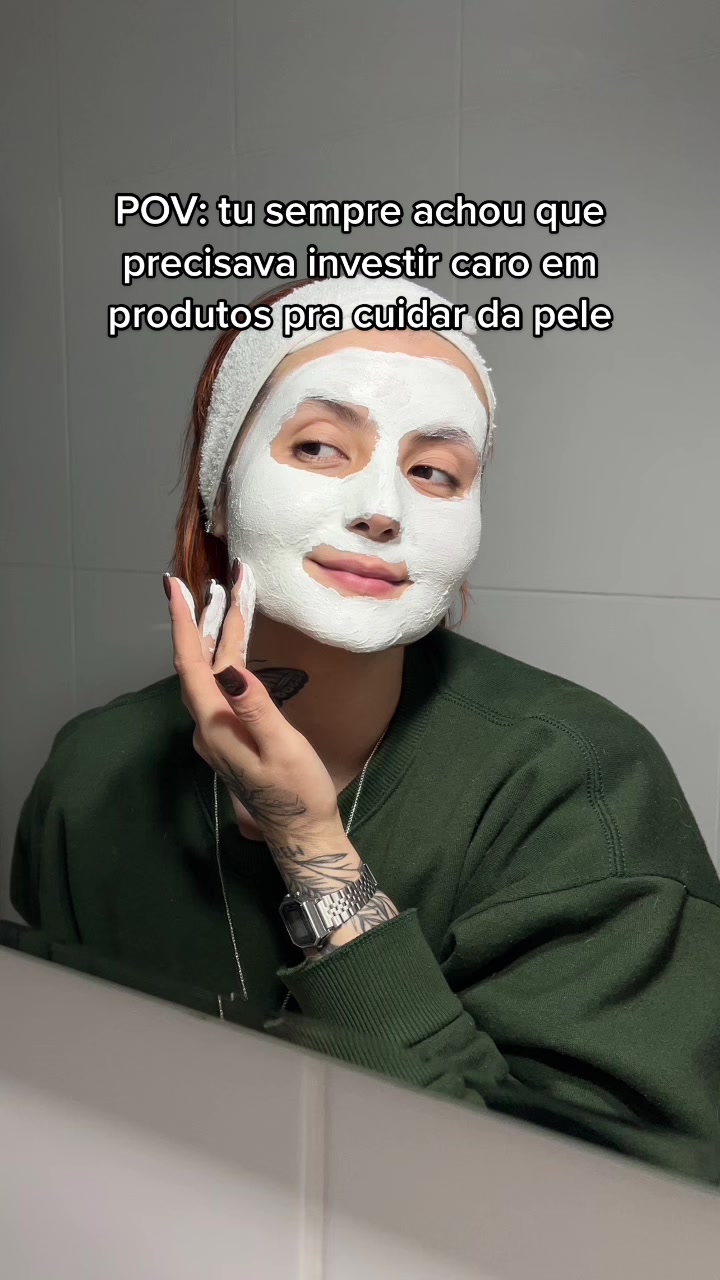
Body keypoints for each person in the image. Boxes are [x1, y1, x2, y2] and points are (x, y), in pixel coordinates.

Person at [7, 276, 720, 1188]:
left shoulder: (578, 783)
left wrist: (314, 854)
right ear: (218, 491)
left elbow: (599, 1210)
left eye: (434, 472)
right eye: (318, 446)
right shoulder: (93, 772)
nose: (383, 508)